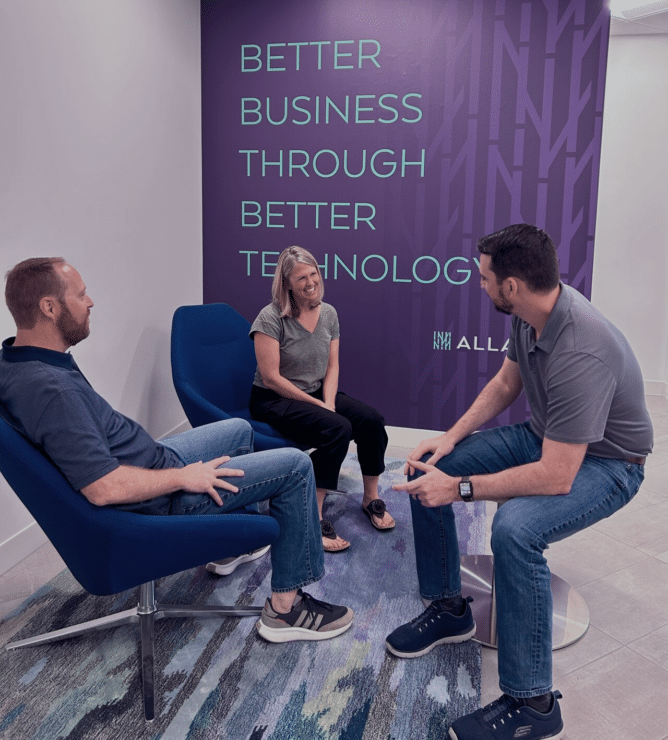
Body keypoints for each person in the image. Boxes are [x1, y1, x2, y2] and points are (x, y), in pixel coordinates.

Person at [386, 224, 653, 740]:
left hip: (609, 464)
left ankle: (533, 704)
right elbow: (507, 382)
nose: (480, 286)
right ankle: (448, 607)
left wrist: (460, 488)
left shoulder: (582, 348)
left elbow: (557, 477)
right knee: (427, 469)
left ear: (511, 286)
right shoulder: (532, 314)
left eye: (485, 278)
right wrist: (449, 441)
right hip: (546, 437)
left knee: (515, 529)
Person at [0, 257, 354, 643]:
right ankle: (286, 611)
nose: (91, 302)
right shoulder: (53, 391)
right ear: (49, 308)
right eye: (81, 294)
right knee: (296, 466)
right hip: (157, 499)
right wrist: (185, 477)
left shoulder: (21, 360)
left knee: (236, 429)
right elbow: (103, 488)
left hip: (150, 460)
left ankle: (233, 545)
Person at [248, 246, 393, 553]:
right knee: (337, 428)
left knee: (372, 421)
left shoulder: (328, 313)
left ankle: (371, 498)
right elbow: (272, 377)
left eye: (313, 273)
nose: (310, 281)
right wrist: (321, 408)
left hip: (315, 391)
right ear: (286, 282)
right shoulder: (270, 317)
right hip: (273, 399)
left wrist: (328, 402)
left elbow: (332, 366)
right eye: (301, 277)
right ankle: (311, 517)